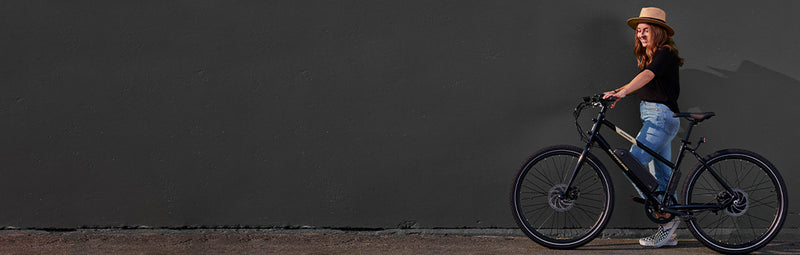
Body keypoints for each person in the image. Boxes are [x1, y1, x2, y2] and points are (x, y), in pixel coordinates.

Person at [603, 7, 684, 248]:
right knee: (662, 176)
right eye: (638, 31)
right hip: (658, 118)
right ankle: (670, 227)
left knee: (633, 166)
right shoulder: (652, 56)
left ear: (658, 31)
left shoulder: (665, 52)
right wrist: (617, 92)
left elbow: (647, 77)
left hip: (660, 118)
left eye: (645, 30)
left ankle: (667, 221)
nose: (640, 34)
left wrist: (625, 92)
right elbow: (642, 81)